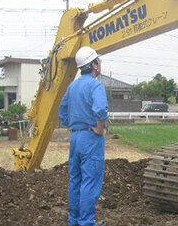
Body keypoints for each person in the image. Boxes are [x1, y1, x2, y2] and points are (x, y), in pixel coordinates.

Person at [59, 46, 108, 226]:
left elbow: (62, 110)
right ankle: (86, 222)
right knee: (90, 181)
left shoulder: (73, 86)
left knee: (75, 180)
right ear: (94, 65)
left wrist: (73, 125)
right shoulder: (95, 85)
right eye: (98, 61)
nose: (100, 63)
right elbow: (100, 109)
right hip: (90, 137)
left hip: (76, 137)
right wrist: (100, 128)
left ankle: (74, 220)